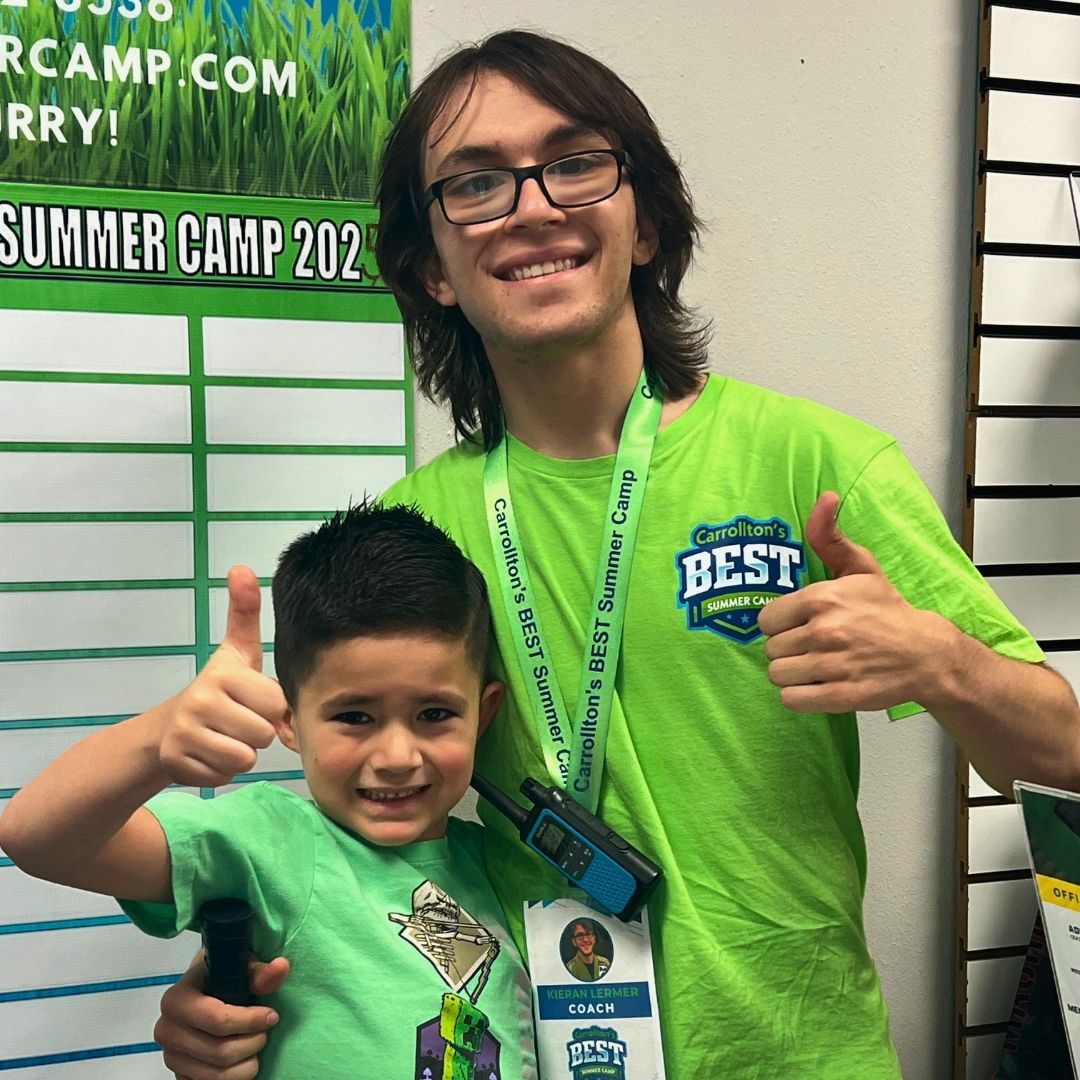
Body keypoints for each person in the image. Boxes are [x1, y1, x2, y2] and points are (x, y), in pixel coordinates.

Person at [151, 29, 1080, 1080]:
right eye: (476, 184)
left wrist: (942, 665)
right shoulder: (416, 533)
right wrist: (239, 983)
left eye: (575, 162)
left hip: (799, 1058)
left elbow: (1059, 759)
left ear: (646, 224)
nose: (534, 205)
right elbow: (362, 831)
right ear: (432, 268)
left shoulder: (814, 465)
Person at [0, 503, 538, 1079]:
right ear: (289, 719)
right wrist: (155, 739)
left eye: (434, 713)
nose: (398, 758)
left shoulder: (505, 866)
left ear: (483, 715)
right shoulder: (277, 840)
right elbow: (36, 838)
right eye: (355, 717)